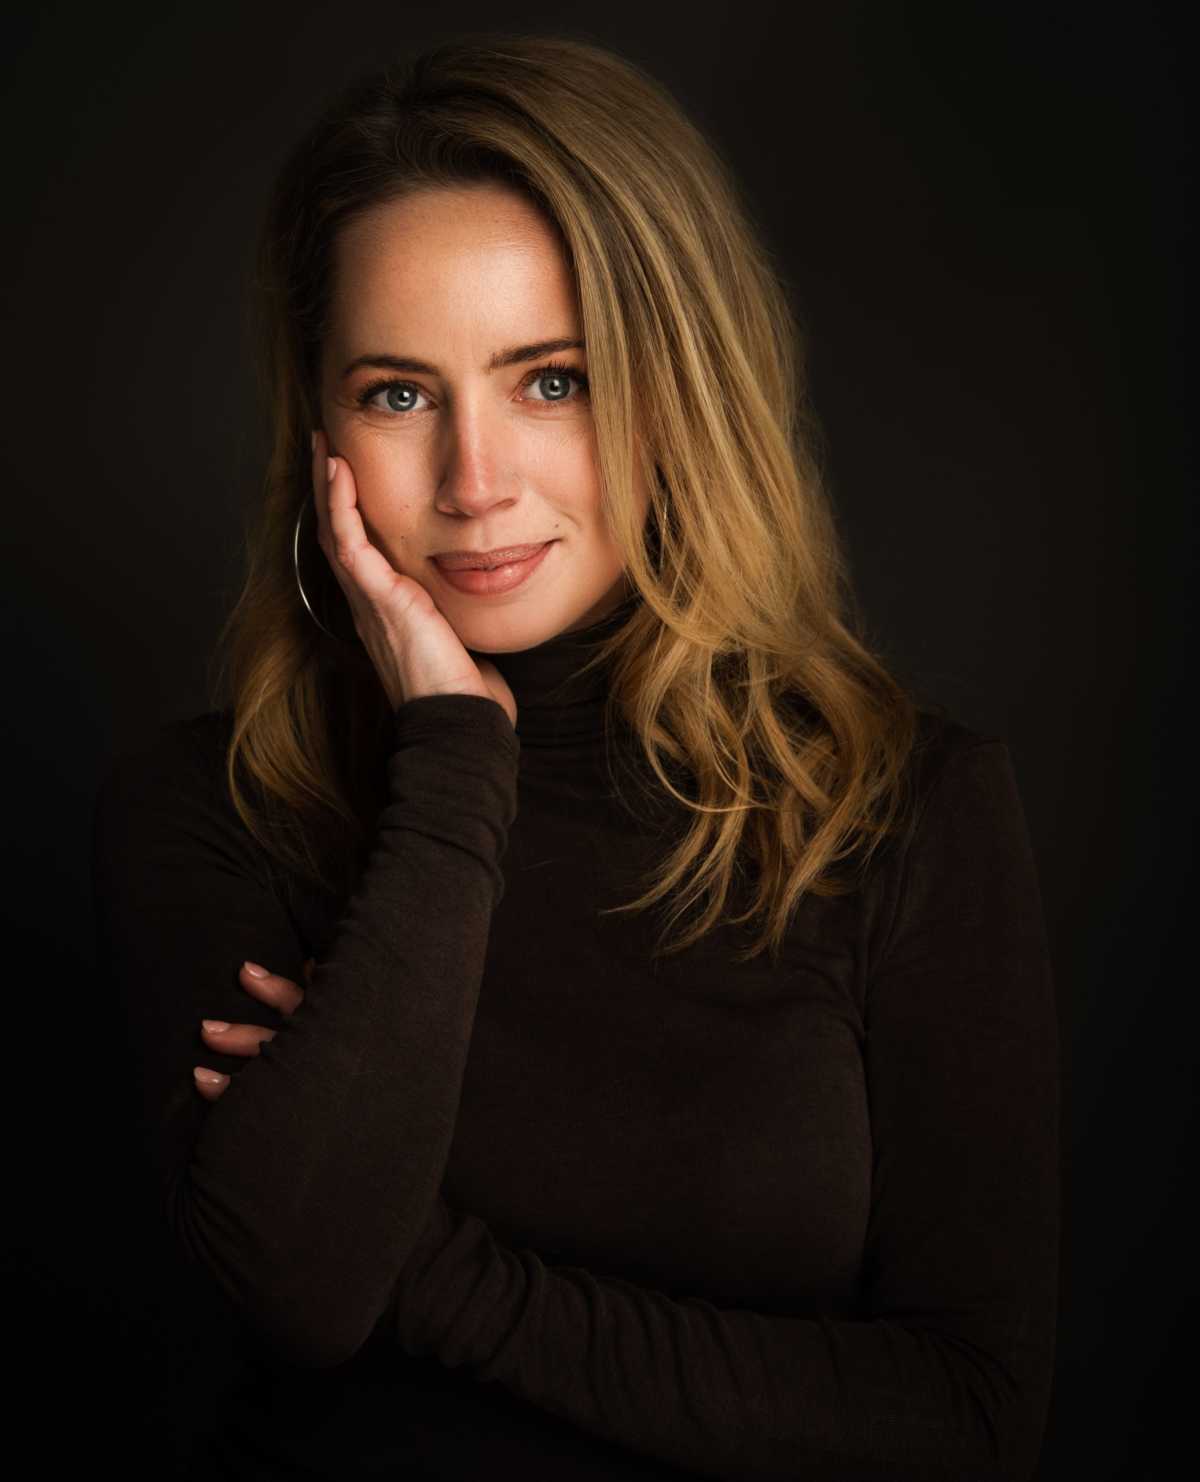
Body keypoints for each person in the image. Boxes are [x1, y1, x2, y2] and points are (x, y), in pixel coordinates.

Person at [90, 30, 1060, 1482]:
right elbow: (300, 1289)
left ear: (680, 387)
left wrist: (425, 1265)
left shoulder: (897, 809)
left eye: (553, 380)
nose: (475, 483)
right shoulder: (219, 810)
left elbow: (969, 1419)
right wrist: (455, 759)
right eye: (399, 393)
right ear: (320, 429)